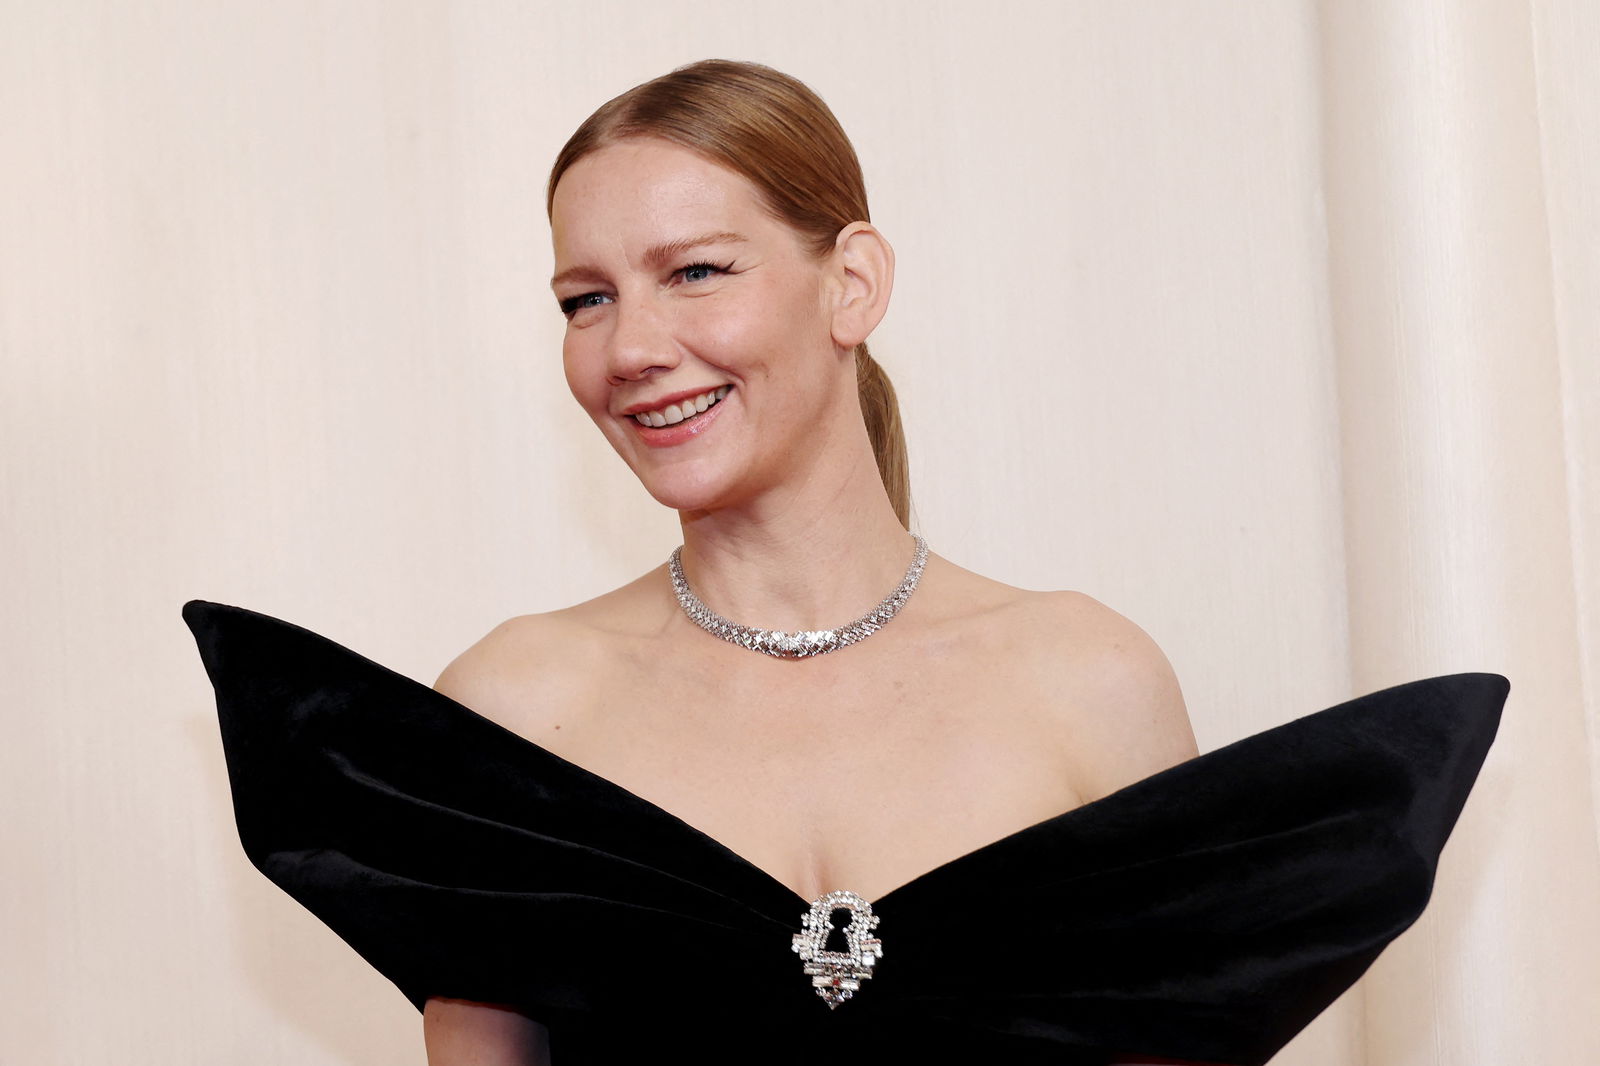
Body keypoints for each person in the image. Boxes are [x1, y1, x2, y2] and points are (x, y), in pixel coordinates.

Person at [183, 59, 1507, 1066]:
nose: (630, 344)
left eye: (693, 271)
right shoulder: (517, 703)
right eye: (585, 298)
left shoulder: (1086, 676)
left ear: (852, 282)